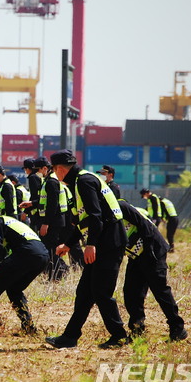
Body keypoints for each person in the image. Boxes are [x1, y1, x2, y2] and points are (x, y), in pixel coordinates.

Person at [45, 150, 129, 349]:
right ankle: (70, 337)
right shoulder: (78, 183)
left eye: (54, 171)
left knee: (101, 292)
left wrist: (91, 244)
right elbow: (83, 221)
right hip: (103, 240)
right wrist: (68, 244)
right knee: (84, 292)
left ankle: (120, 336)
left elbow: (95, 216)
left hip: (108, 241)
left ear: (59, 169)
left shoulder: (84, 182)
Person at [118, 199, 187, 342]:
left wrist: (150, 251)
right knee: (131, 292)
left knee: (160, 290)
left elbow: (145, 225)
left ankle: (177, 328)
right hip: (136, 255)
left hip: (152, 250)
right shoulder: (102, 214)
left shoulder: (121, 206)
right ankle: (137, 329)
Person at [35, 156, 70, 280]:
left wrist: (46, 223)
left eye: (37, 170)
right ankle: (57, 272)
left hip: (53, 222)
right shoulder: (49, 180)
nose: (36, 173)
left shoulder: (51, 182)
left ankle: (58, 273)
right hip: (54, 220)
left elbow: (52, 205)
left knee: (49, 249)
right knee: (50, 248)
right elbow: (46, 201)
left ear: (45, 168)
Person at [20, 158, 42, 233]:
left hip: (36, 212)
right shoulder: (39, 176)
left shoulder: (33, 178)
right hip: (40, 209)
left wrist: (25, 211)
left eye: (25, 169)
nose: (25, 171)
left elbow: (34, 196)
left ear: (28, 169)